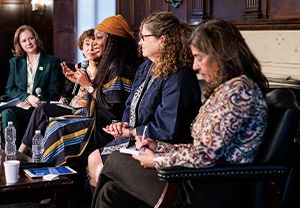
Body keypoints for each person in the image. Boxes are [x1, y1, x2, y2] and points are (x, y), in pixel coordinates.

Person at [91, 18, 269, 208]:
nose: (195, 66)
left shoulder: (238, 92)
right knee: (111, 191)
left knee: (117, 160)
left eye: (199, 57)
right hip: (196, 177)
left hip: (208, 188)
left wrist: (157, 159)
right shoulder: (229, 89)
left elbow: (206, 156)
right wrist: (159, 146)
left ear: (221, 54)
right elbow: (202, 148)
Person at [87, 11, 202, 188]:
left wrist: (132, 132)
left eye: (144, 37)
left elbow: (168, 128)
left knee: (100, 168)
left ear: (162, 39)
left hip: (161, 146)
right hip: (136, 139)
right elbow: (129, 104)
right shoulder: (146, 67)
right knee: (93, 158)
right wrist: (122, 125)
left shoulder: (179, 76)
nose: (139, 42)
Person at [43, 14, 143, 208]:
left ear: (112, 40)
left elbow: (113, 110)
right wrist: (79, 82)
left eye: (99, 37)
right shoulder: (110, 63)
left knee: (58, 129)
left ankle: (61, 192)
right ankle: (56, 188)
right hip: (96, 118)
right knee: (53, 123)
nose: (95, 43)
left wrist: (88, 86)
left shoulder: (119, 66)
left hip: (106, 126)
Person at [18, 28, 98, 155]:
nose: (90, 48)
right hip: (71, 106)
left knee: (42, 109)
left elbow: (92, 92)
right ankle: (34, 157)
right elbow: (74, 92)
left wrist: (85, 83)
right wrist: (71, 85)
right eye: (87, 44)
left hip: (84, 111)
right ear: (82, 48)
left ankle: (22, 151)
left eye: (94, 44)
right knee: (43, 121)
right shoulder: (83, 66)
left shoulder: (101, 68)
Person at [1, 25, 68, 147]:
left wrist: (36, 100)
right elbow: (10, 89)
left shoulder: (51, 61)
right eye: (24, 41)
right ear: (19, 44)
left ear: (36, 38)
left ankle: (22, 153)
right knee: (7, 113)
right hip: (22, 106)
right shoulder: (15, 62)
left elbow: (55, 91)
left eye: (31, 38)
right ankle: (11, 150)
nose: (28, 43)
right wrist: (26, 97)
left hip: (40, 107)